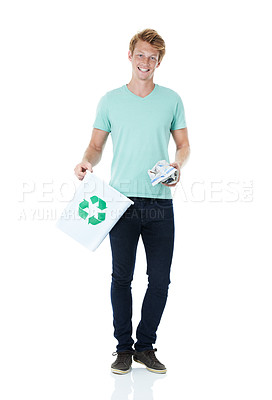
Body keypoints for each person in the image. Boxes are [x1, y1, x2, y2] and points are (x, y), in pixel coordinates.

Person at [74, 28, 190, 374]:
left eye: (152, 57)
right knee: (121, 277)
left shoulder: (171, 100)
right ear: (130, 56)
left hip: (159, 201)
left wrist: (176, 165)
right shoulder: (110, 100)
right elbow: (95, 147)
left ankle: (146, 346)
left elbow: (183, 146)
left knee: (160, 279)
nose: (146, 62)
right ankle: (123, 348)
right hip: (120, 201)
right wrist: (85, 162)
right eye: (141, 55)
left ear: (159, 62)